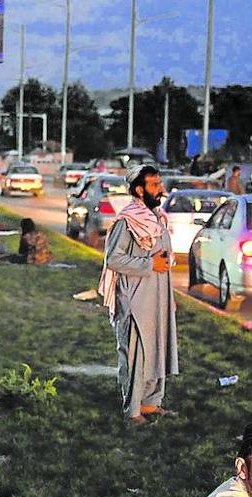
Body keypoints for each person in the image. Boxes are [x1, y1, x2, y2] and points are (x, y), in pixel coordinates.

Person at [99, 164, 178, 424]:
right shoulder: (127, 221)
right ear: (139, 190)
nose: (161, 189)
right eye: (155, 185)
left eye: (160, 183)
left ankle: (152, 403)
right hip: (134, 299)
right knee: (136, 355)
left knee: (158, 349)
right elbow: (113, 259)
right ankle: (133, 410)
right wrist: (148, 264)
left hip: (158, 298)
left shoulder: (158, 218)